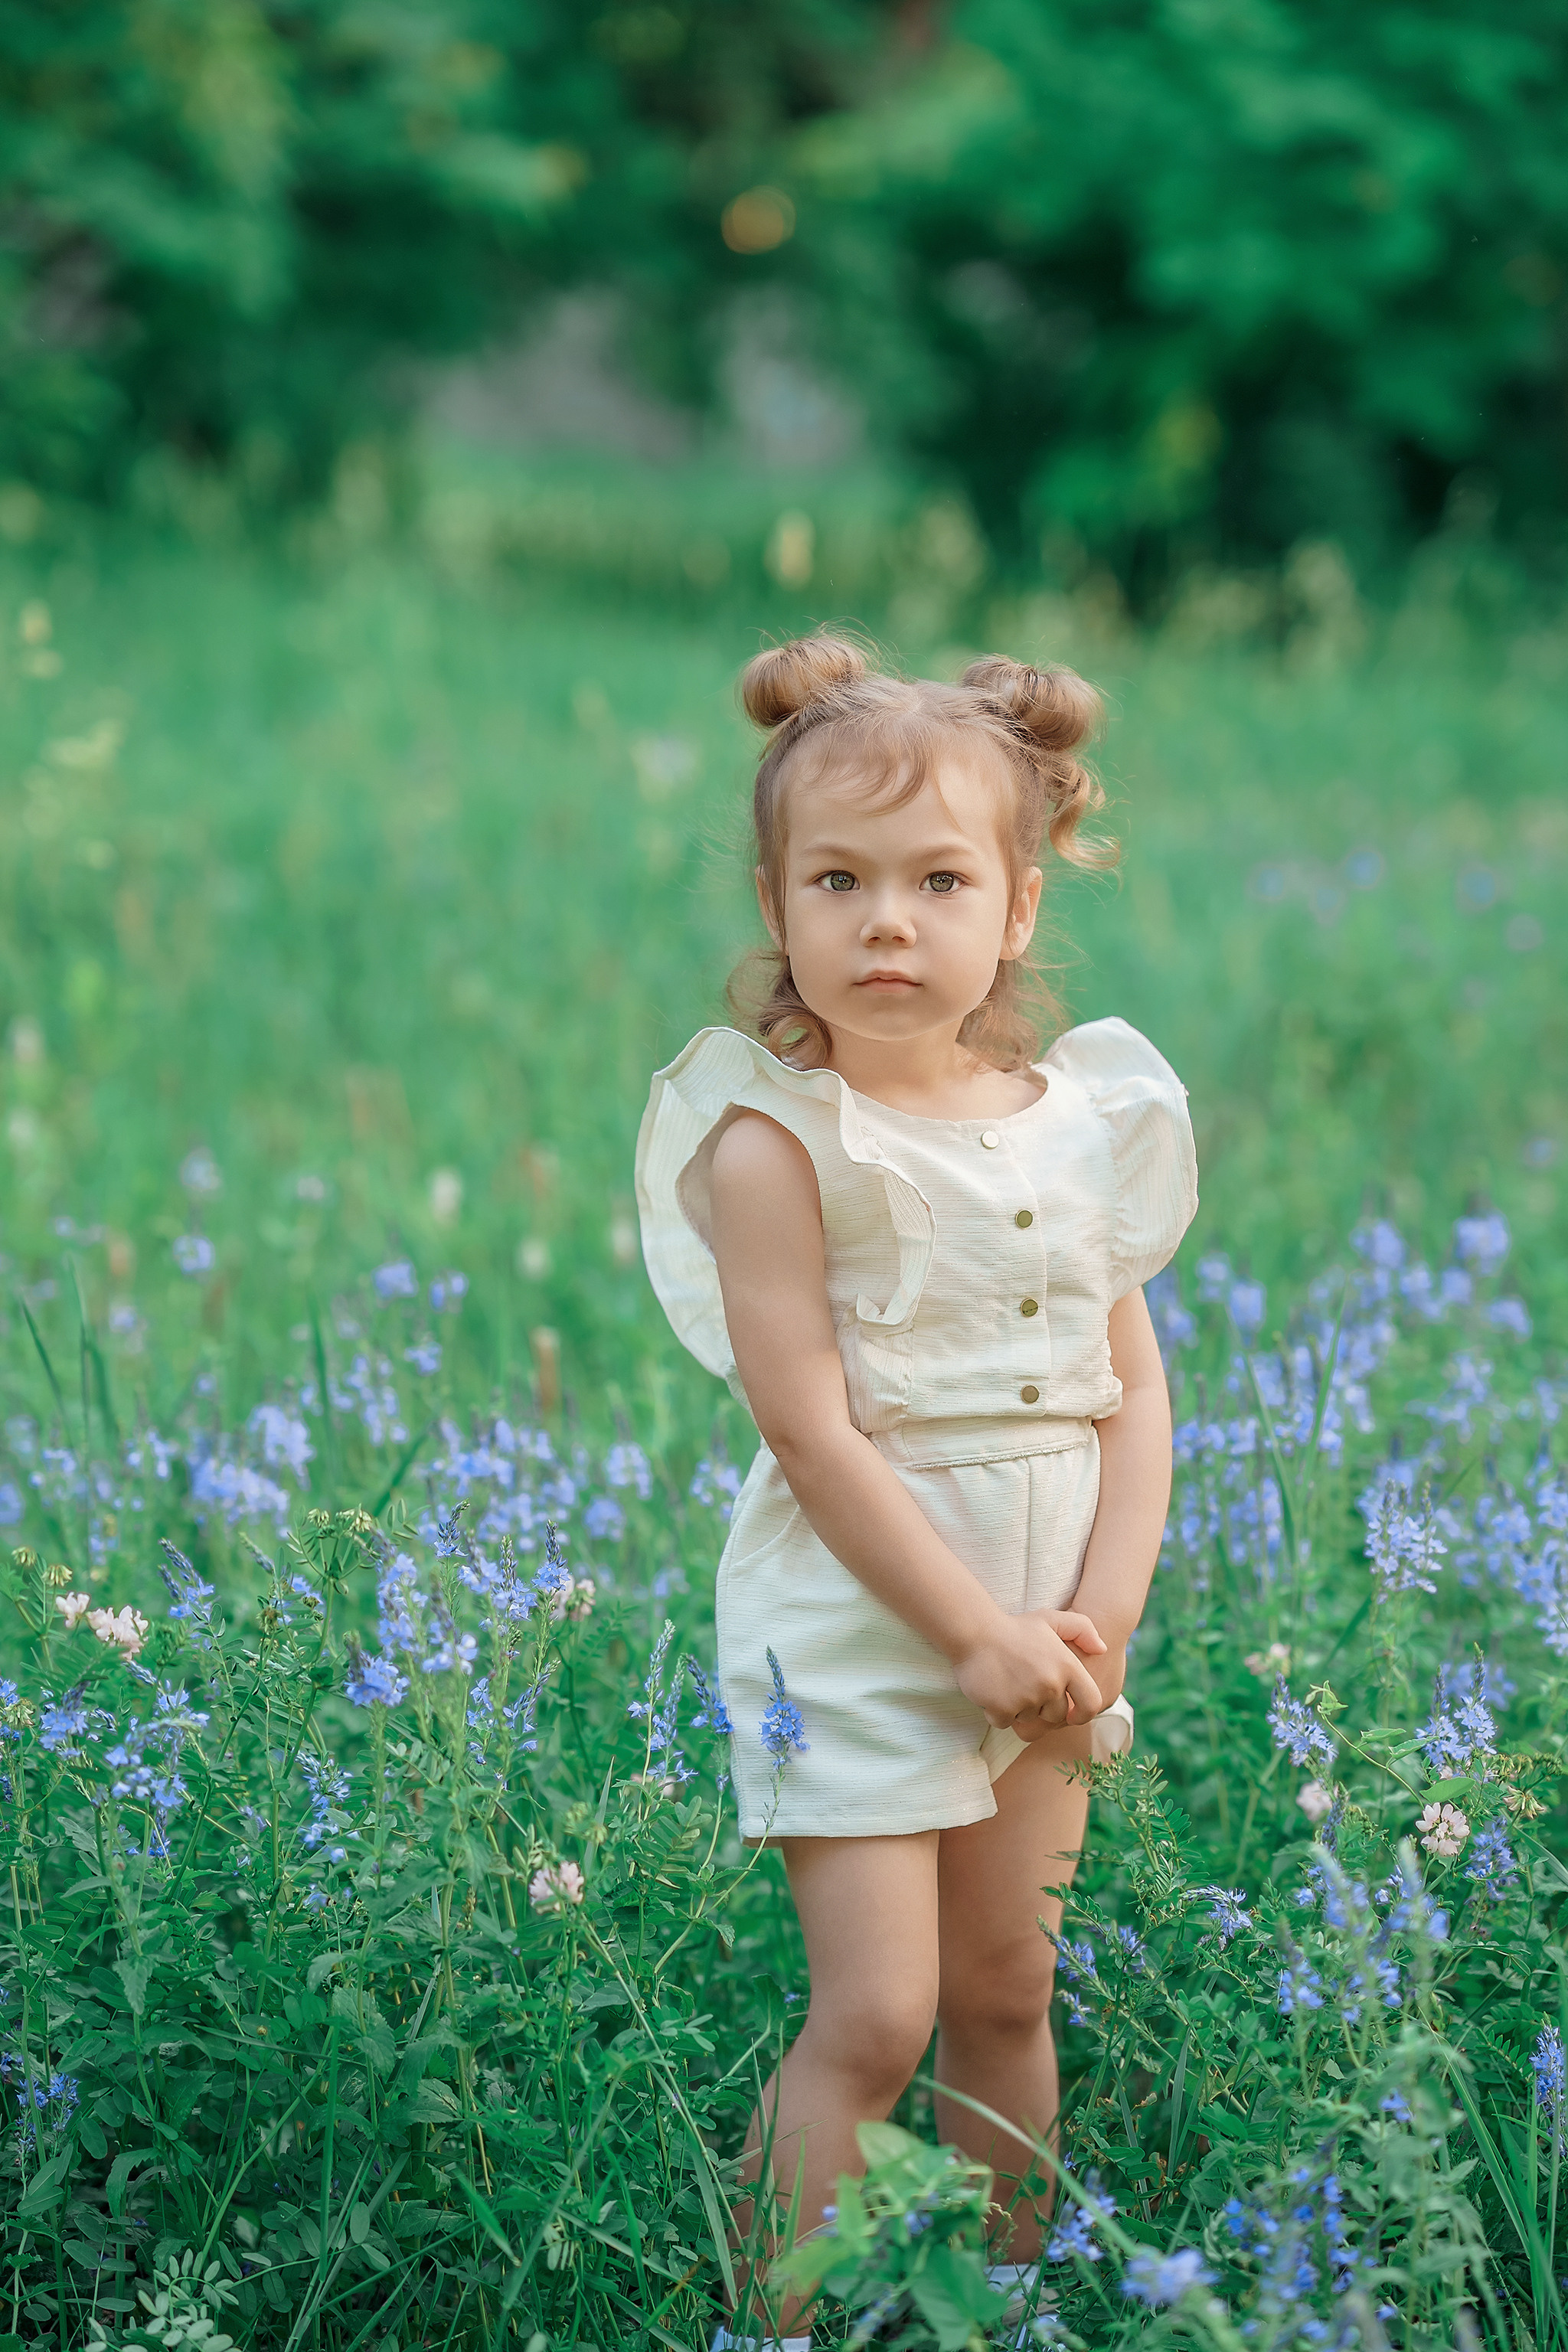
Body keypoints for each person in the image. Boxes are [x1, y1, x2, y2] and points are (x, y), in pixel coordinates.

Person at [635, 632, 1197, 2343]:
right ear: (776, 898)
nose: (888, 919)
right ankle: (778, 2321)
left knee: (1008, 1983)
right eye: (840, 879)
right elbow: (810, 1430)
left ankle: (1003, 2310)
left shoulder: (1081, 1116)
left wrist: (1094, 1611)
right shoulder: (769, 1143)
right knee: (878, 2015)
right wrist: (967, 1633)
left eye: (938, 879)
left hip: (1046, 1626)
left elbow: (1134, 1390)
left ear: (1016, 908)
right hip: (872, 1622)